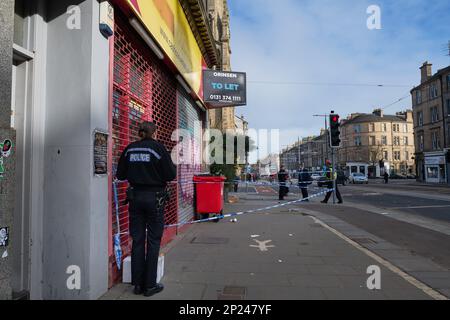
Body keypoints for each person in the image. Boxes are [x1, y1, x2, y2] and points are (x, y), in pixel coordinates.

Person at [116, 121, 176, 297]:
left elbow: (120, 174)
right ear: (154, 133)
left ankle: (137, 285)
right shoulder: (158, 149)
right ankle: (150, 285)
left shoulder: (129, 149)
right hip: (155, 198)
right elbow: (170, 175)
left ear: (139, 133)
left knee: (138, 240)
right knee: (153, 240)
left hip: (135, 198)